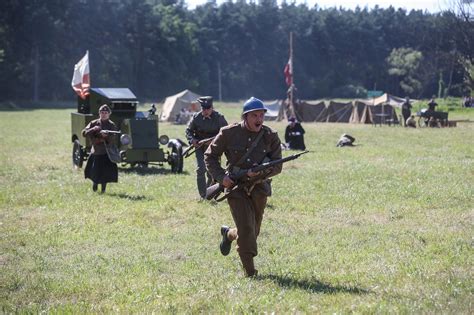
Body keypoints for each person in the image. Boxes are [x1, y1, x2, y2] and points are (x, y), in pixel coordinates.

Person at [204, 97, 282, 277]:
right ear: (245, 116)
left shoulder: (270, 136)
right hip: (235, 187)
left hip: (259, 188)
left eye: (262, 115)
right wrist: (221, 178)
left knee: (253, 230)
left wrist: (259, 174)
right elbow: (210, 156)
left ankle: (229, 234)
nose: (259, 119)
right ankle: (250, 272)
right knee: (247, 229)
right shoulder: (228, 133)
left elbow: (277, 166)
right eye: (255, 115)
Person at [185, 96, 228, 199]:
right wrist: (192, 140)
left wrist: (215, 141)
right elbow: (188, 131)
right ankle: (203, 195)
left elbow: (226, 132)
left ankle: (209, 193)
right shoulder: (196, 117)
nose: (205, 111)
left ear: (212, 108)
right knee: (201, 169)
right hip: (200, 146)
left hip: (214, 148)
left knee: (212, 172)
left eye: (208, 108)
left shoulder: (219, 118)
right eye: (203, 109)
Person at [82, 104, 118, 193]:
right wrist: (94, 129)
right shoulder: (94, 123)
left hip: (106, 152)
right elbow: (84, 133)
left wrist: (105, 137)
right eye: (102, 112)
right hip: (96, 151)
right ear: (99, 113)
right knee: (94, 171)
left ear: (109, 114)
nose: (104, 114)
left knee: (105, 173)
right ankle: (95, 185)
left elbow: (112, 139)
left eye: (106, 112)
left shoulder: (111, 125)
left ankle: (103, 189)